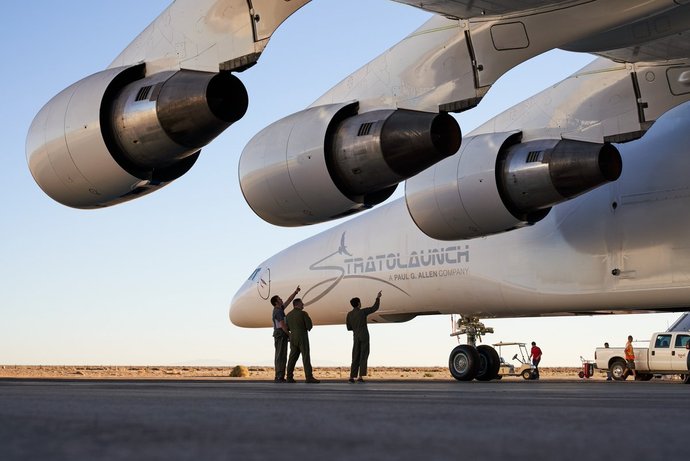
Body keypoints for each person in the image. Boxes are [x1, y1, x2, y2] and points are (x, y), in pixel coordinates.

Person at [346, 291, 381, 383]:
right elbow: (374, 308)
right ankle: (360, 376)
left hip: (356, 336)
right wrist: (378, 298)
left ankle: (352, 377)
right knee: (363, 355)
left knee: (355, 356)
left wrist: (355, 328)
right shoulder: (362, 312)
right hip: (364, 336)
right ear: (358, 303)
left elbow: (348, 327)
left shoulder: (349, 314)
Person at [285, 298, 320, 383]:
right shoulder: (303, 313)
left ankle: (289, 377)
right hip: (302, 337)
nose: (303, 304)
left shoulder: (288, 315)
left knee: (292, 358)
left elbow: (287, 327)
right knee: (305, 357)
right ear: (297, 304)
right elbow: (309, 326)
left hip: (293, 337)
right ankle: (309, 377)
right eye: (301, 303)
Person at [270, 286, 300, 382]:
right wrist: (289, 334)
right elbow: (282, 325)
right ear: (276, 302)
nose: (281, 299)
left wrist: (295, 292)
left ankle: (279, 375)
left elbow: (288, 300)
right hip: (280, 334)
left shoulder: (280, 309)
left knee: (281, 354)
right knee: (281, 355)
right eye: (279, 299)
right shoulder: (278, 312)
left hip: (279, 334)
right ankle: (279, 376)